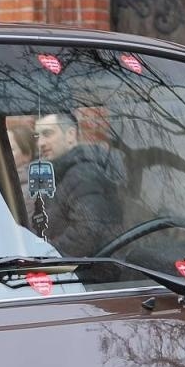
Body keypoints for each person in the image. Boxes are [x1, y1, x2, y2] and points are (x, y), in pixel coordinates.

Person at [29, 108, 123, 256]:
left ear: (70, 135)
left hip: (90, 274)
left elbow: (88, 232)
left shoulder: (84, 174)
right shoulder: (61, 173)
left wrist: (45, 254)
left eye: (47, 134)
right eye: (37, 137)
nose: (40, 143)